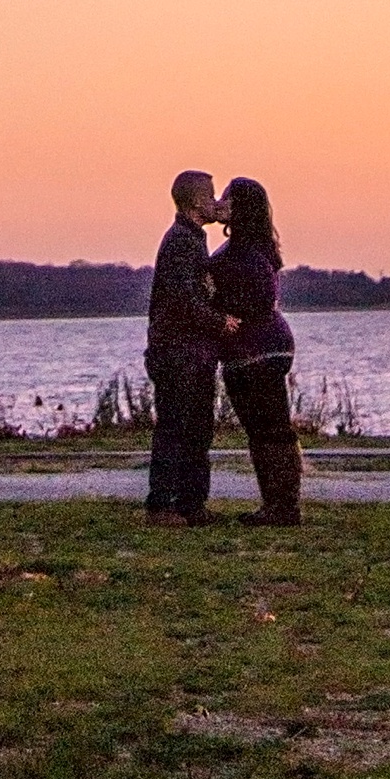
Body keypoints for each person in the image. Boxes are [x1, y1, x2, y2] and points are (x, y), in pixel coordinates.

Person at [210, 175, 303, 521]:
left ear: (241, 208)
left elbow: (256, 299)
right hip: (271, 344)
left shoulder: (241, 254)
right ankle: (282, 502)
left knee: (266, 430)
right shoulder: (260, 249)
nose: (220, 202)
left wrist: (220, 309)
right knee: (273, 428)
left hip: (254, 350)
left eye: (227, 198)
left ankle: (280, 506)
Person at [143, 167, 224, 523]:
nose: (217, 201)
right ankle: (163, 505)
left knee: (196, 429)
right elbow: (182, 300)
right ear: (195, 201)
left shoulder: (191, 239)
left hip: (191, 352)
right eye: (211, 195)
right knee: (177, 428)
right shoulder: (180, 241)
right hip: (179, 353)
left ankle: (191, 505)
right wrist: (219, 321)